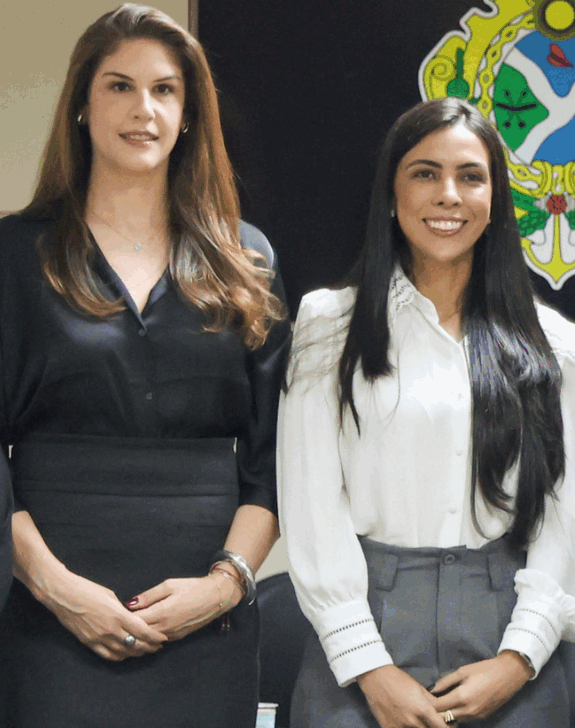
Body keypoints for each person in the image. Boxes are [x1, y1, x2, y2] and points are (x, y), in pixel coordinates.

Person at [0, 5, 288, 726]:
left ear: (189, 113)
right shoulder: (12, 255)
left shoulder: (248, 259)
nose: (144, 110)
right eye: (119, 87)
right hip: (45, 617)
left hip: (205, 625)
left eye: (165, 90)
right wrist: (60, 590)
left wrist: (224, 587)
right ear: (80, 106)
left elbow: (274, 457)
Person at [277, 97, 575, 728]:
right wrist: (370, 668)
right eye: (425, 173)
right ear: (391, 196)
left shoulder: (556, 345)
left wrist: (518, 658)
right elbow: (312, 507)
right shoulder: (329, 325)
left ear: (496, 198)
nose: (448, 195)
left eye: (470, 176)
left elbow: (568, 517)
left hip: (506, 639)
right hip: (363, 635)